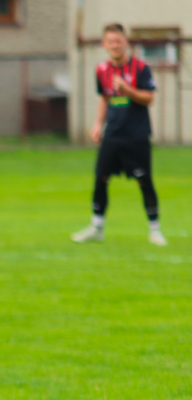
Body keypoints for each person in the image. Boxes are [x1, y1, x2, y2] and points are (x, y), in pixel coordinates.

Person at [72, 23, 167, 246]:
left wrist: (128, 90)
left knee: (144, 181)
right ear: (104, 44)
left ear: (125, 43)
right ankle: (97, 227)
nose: (115, 45)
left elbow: (149, 98)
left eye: (118, 41)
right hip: (112, 135)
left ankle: (155, 229)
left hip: (137, 135)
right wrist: (97, 124)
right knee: (100, 178)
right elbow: (104, 98)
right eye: (110, 42)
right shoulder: (101, 70)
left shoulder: (140, 68)